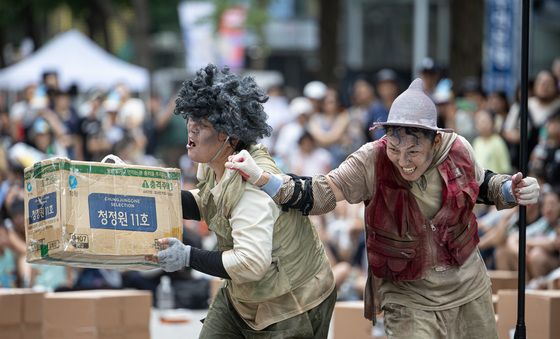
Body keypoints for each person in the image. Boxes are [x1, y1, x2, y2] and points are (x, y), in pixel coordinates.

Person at [226, 78, 541, 338]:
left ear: (434, 141)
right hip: (406, 292)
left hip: (468, 287)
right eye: (395, 147)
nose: (403, 161)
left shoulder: (458, 150)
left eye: (413, 151)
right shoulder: (370, 160)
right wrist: (263, 178)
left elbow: (483, 185)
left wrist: (511, 189)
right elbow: (320, 192)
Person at [153, 64, 336, 338]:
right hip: (243, 294)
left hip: (291, 299)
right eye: (191, 120)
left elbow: (251, 262)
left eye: (202, 125)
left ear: (230, 135)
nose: (191, 131)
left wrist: (188, 256)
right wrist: (146, 192)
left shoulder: (250, 188)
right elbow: (207, 202)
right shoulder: (215, 160)